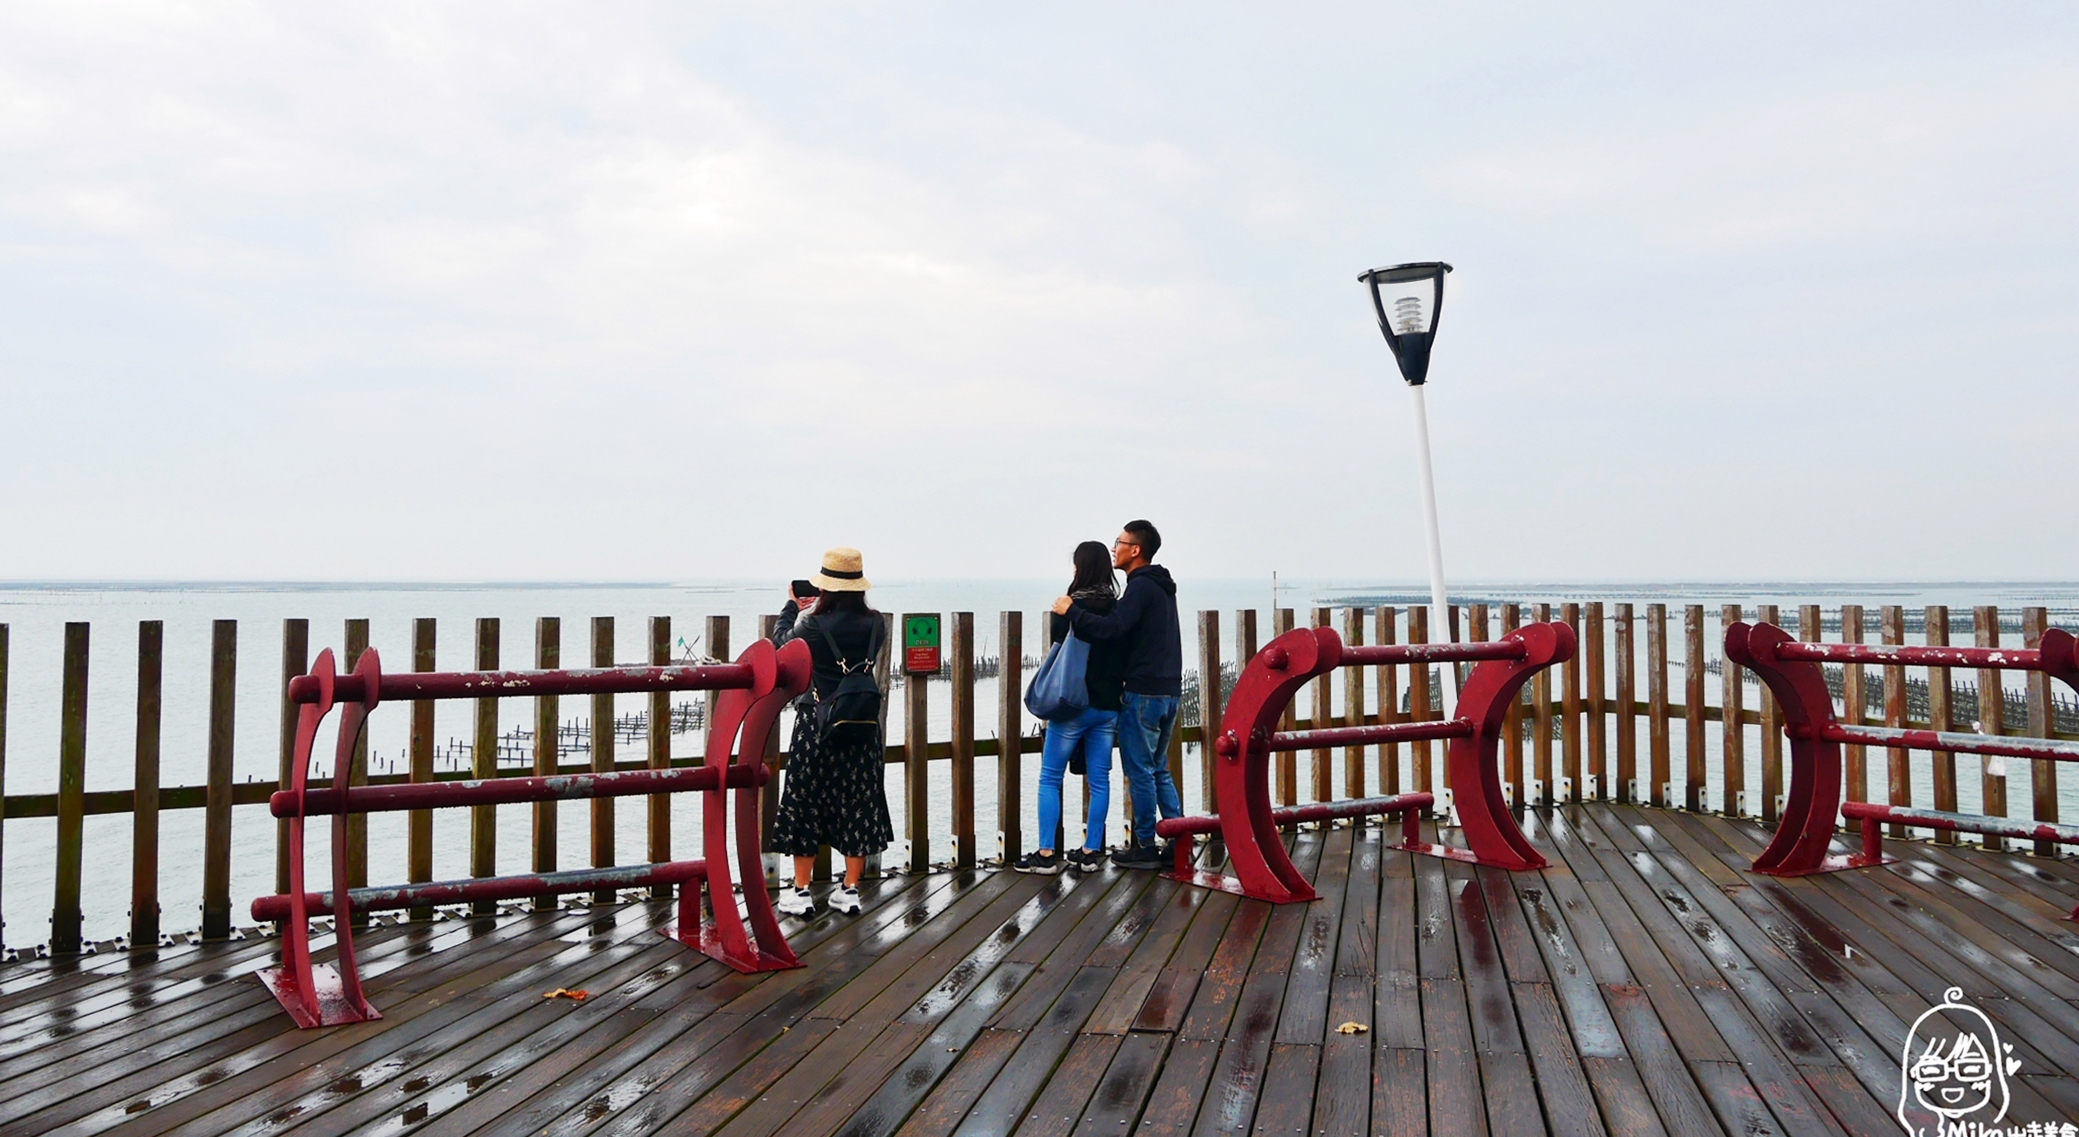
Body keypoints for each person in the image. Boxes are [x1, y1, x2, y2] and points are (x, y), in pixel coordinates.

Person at [767, 547, 893, 916]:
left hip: (816, 722)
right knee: (859, 800)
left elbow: (782, 646)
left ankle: (801, 892)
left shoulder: (812, 624)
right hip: (862, 724)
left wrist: (793, 607)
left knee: (805, 801)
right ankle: (849, 890)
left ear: (826, 587)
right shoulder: (876, 623)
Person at [1052, 519, 1181, 868]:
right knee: (1159, 769)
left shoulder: (1140, 588)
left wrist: (1072, 611)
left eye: (1120, 542)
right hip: (1169, 690)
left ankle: (1145, 846)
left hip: (1144, 693)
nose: (1115, 548)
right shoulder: (1163, 587)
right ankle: (1178, 842)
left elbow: (1112, 628)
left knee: (1140, 771)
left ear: (1135, 549)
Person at [1015, 541, 1126, 875]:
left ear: (1079, 568)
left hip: (1073, 705)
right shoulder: (1119, 610)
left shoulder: (1067, 608)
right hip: (1108, 707)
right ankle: (1092, 851)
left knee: (1050, 778)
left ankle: (1047, 854)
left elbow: (1059, 651)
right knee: (1100, 780)